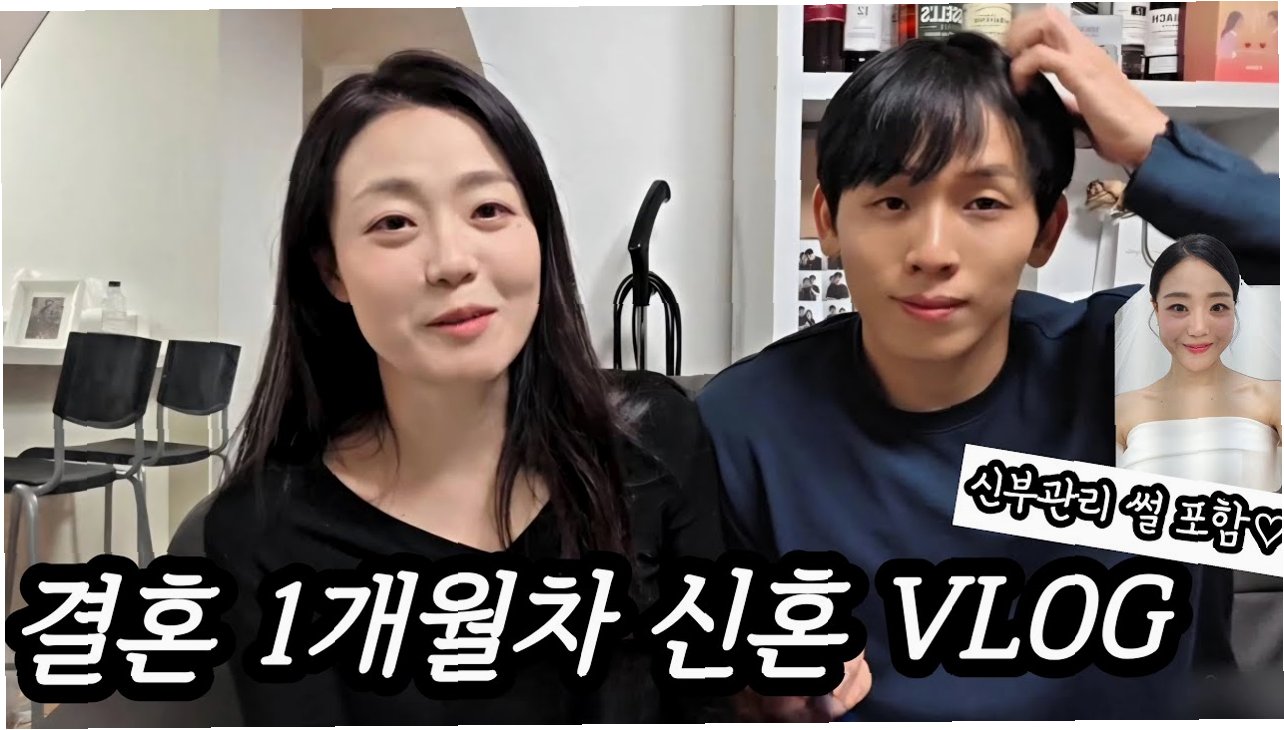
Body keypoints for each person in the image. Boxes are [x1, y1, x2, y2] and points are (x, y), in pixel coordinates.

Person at [697, 11, 1277, 721]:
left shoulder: (1148, 364)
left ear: (1046, 230)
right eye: (892, 201)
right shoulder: (747, 425)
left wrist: (1157, 149)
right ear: (829, 220)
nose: (933, 251)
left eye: (983, 202)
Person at [192, 49, 729, 725]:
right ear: (331, 271)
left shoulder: (652, 438)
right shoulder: (268, 532)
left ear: (539, 233)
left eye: (488, 209)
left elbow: (712, 692)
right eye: (394, 223)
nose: (452, 262)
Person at [1116, 234, 1281, 493]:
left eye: (1217, 307)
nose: (1198, 328)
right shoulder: (1121, 411)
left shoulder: (1272, 398)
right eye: (1179, 307)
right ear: (1155, 308)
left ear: (1234, 307)